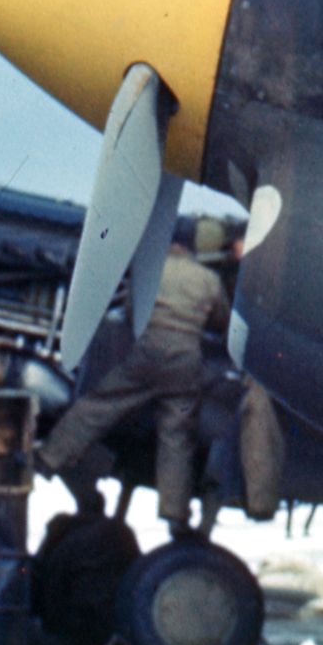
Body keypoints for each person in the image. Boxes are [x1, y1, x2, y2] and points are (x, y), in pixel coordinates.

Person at [36, 211, 238, 531]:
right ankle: (173, 510)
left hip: (146, 351)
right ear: (191, 245)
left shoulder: (150, 270)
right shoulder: (208, 279)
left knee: (100, 405)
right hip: (185, 359)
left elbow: (133, 312)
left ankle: (50, 458)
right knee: (176, 434)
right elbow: (222, 323)